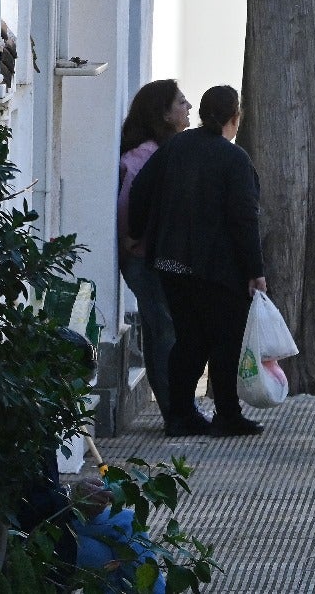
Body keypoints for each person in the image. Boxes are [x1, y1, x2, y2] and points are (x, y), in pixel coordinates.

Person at [128, 85, 266, 438]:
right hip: (218, 269)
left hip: (172, 263)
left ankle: (180, 413)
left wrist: (136, 233)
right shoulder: (234, 159)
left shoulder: (176, 146)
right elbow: (244, 219)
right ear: (234, 118)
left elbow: (141, 189)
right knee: (224, 339)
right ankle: (227, 414)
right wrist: (255, 270)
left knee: (189, 339)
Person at [116, 80, 189, 429]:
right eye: (180, 102)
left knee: (165, 329)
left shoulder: (163, 149)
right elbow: (130, 201)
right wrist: (133, 237)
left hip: (154, 256)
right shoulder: (145, 155)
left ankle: (177, 409)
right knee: (165, 332)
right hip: (146, 257)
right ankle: (175, 412)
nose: (187, 107)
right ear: (162, 112)